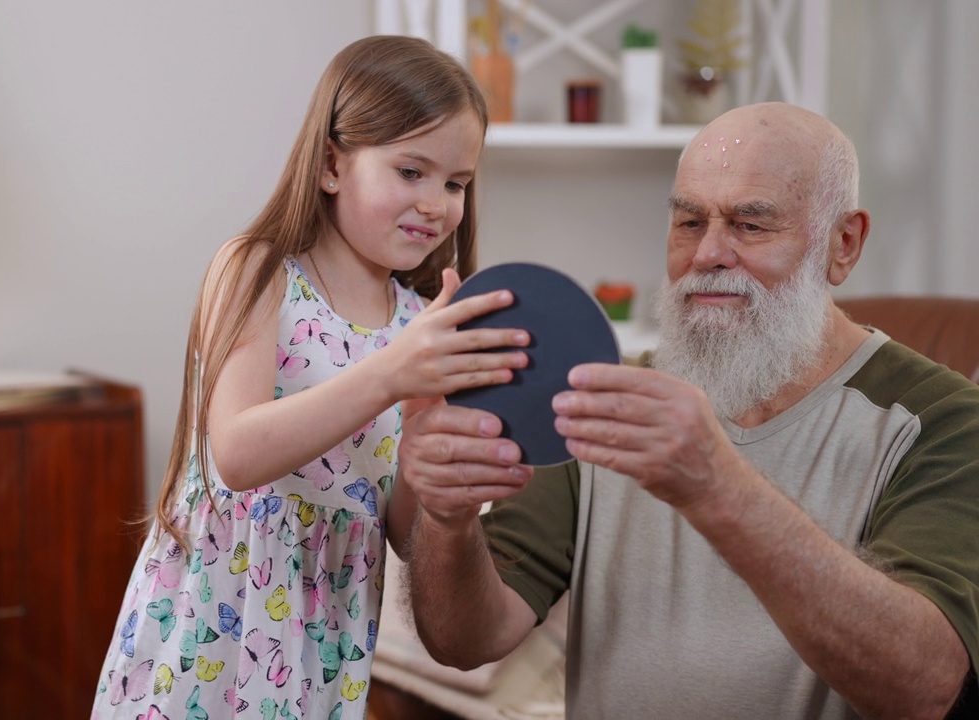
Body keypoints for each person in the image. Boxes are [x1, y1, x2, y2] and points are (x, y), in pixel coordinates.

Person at [396, 101, 979, 719]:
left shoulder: (941, 422)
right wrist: (446, 519)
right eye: (689, 222)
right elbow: (465, 640)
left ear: (844, 244)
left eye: (751, 226)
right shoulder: (602, 399)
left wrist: (716, 487)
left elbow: (924, 685)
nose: (708, 254)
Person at [90, 35, 531, 719]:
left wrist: (423, 432)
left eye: (455, 183)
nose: (437, 203)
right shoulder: (258, 271)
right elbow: (237, 452)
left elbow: (403, 533)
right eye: (410, 172)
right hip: (215, 627)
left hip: (325, 635)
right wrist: (392, 374)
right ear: (331, 165)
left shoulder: (418, 321)